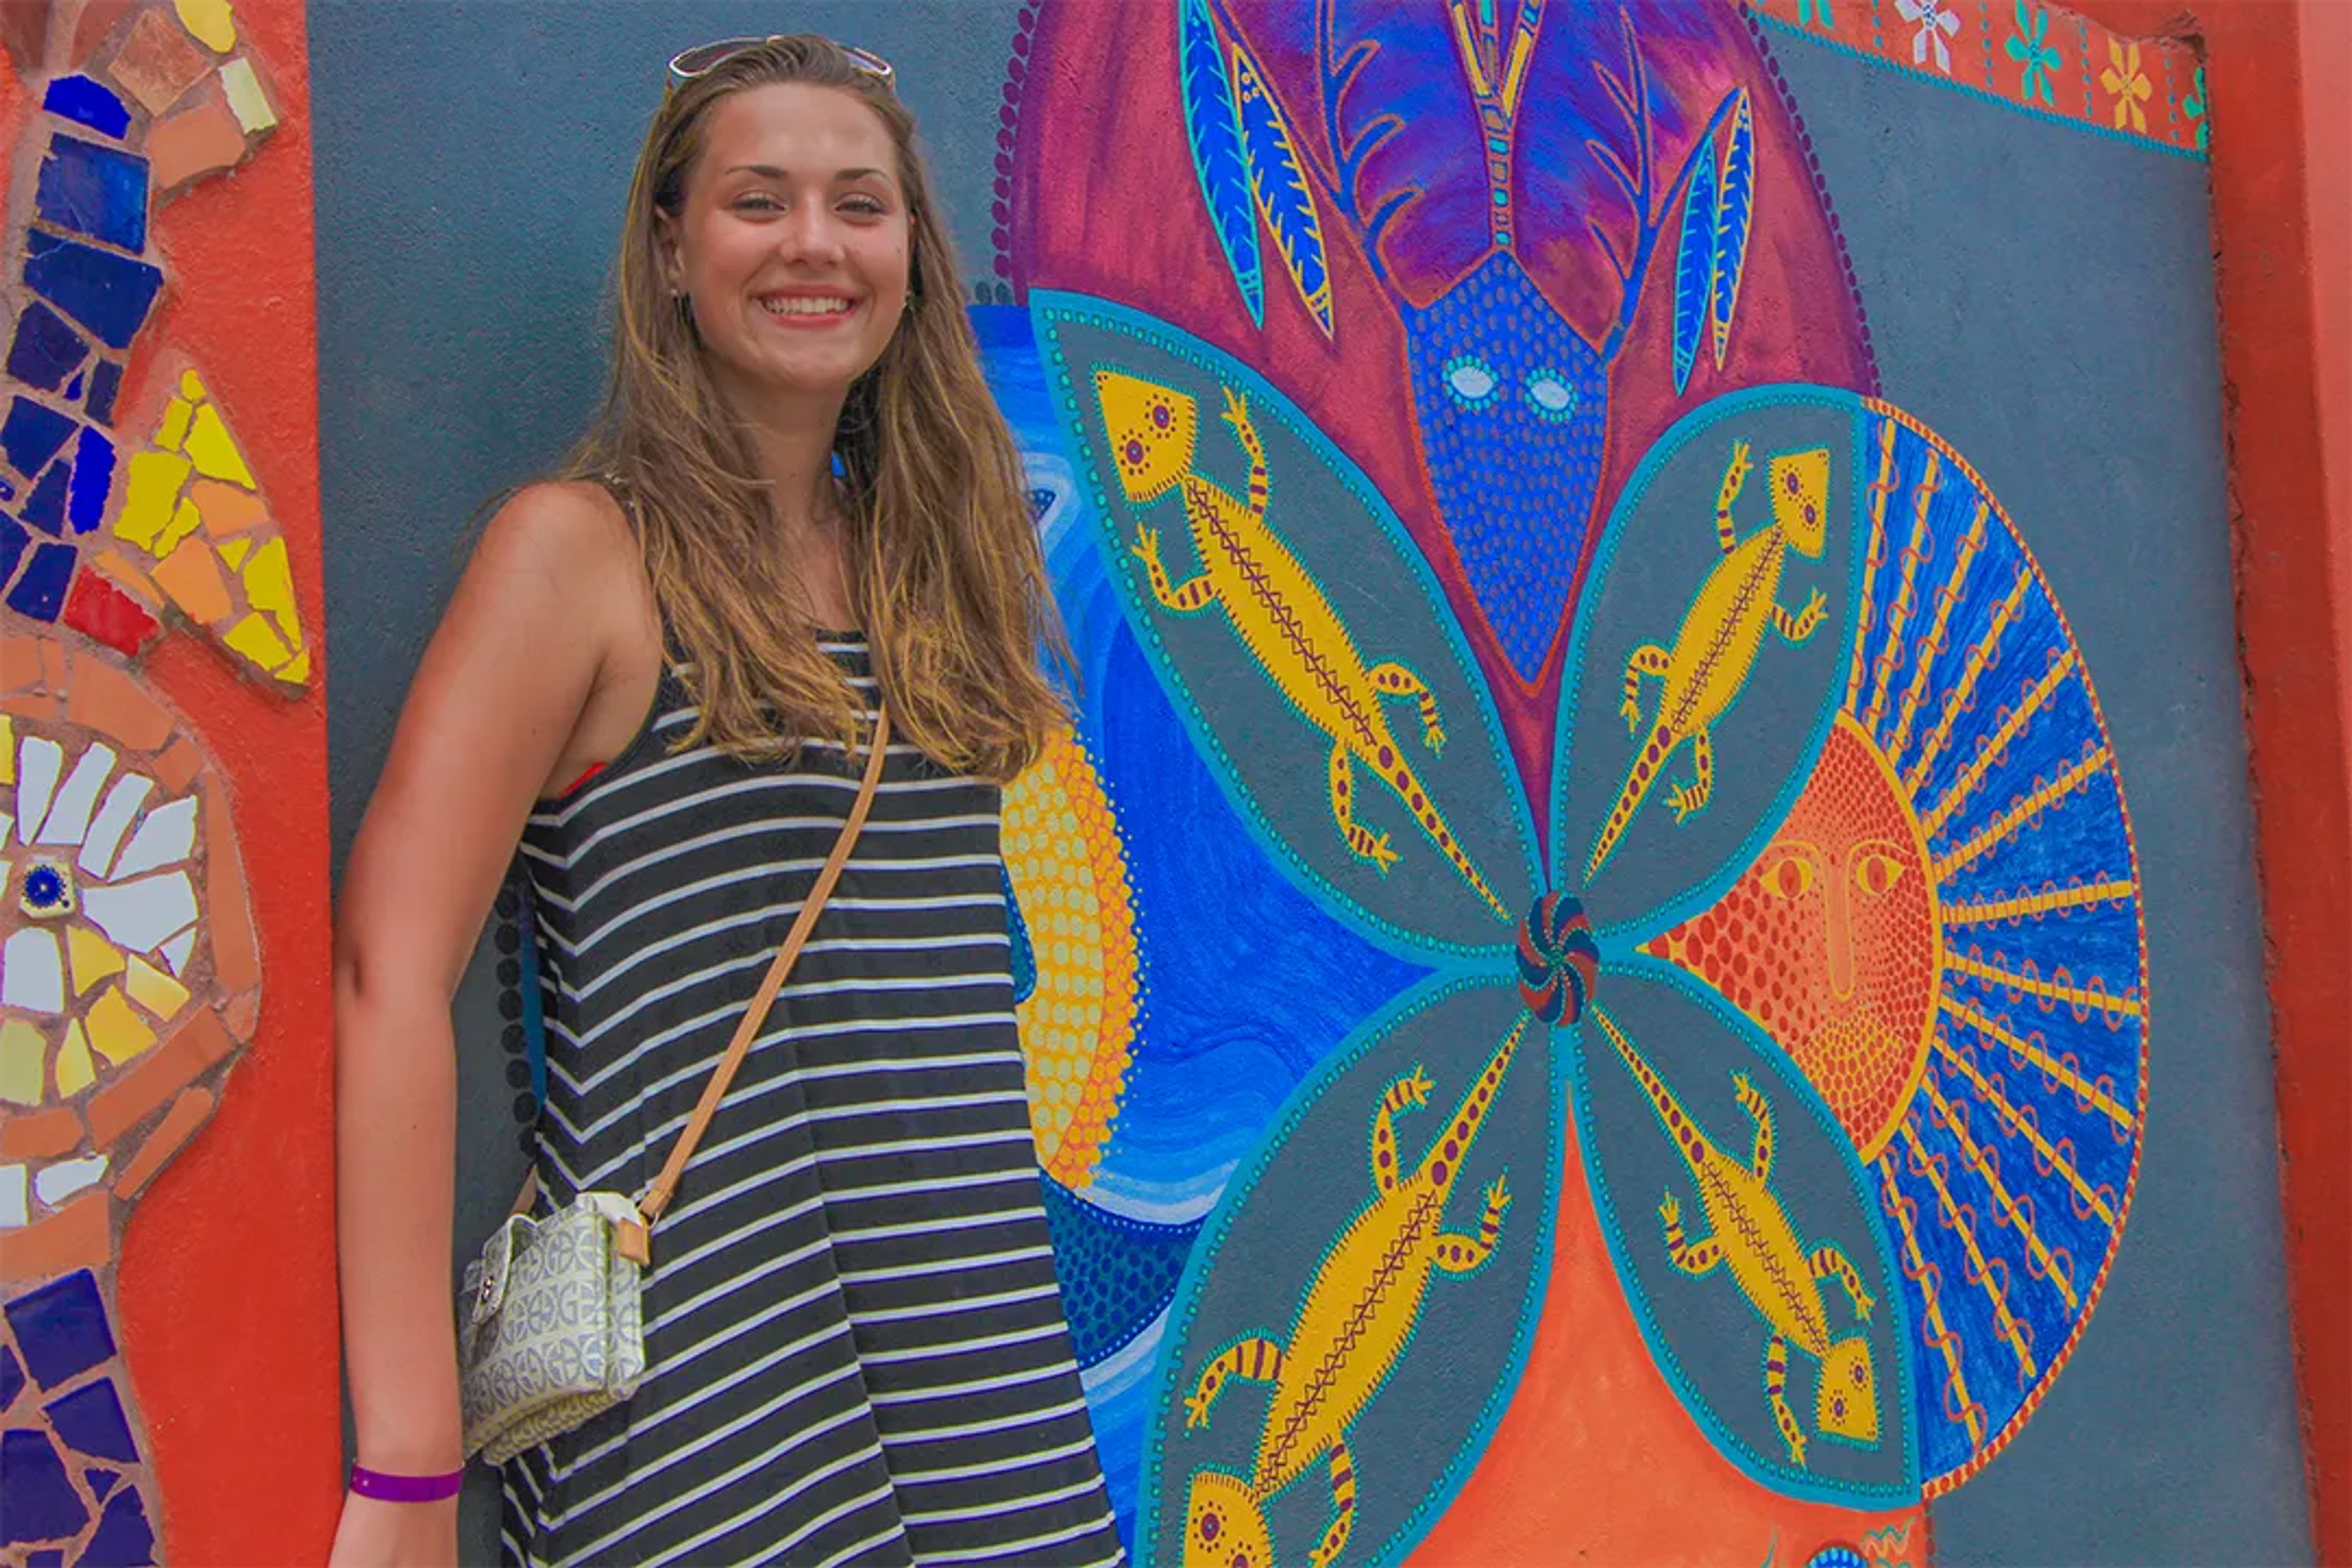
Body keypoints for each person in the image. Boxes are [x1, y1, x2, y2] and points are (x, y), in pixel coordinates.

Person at [329, 36, 1126, 1568]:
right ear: (672, 248)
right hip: (708, 1398)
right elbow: (388, 973)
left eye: (860, 204)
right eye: (759, 201)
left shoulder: (941, 579)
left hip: (983, 1378)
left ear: (910, 253)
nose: (815, 243)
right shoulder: (577, 557)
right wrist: (411, 1464)